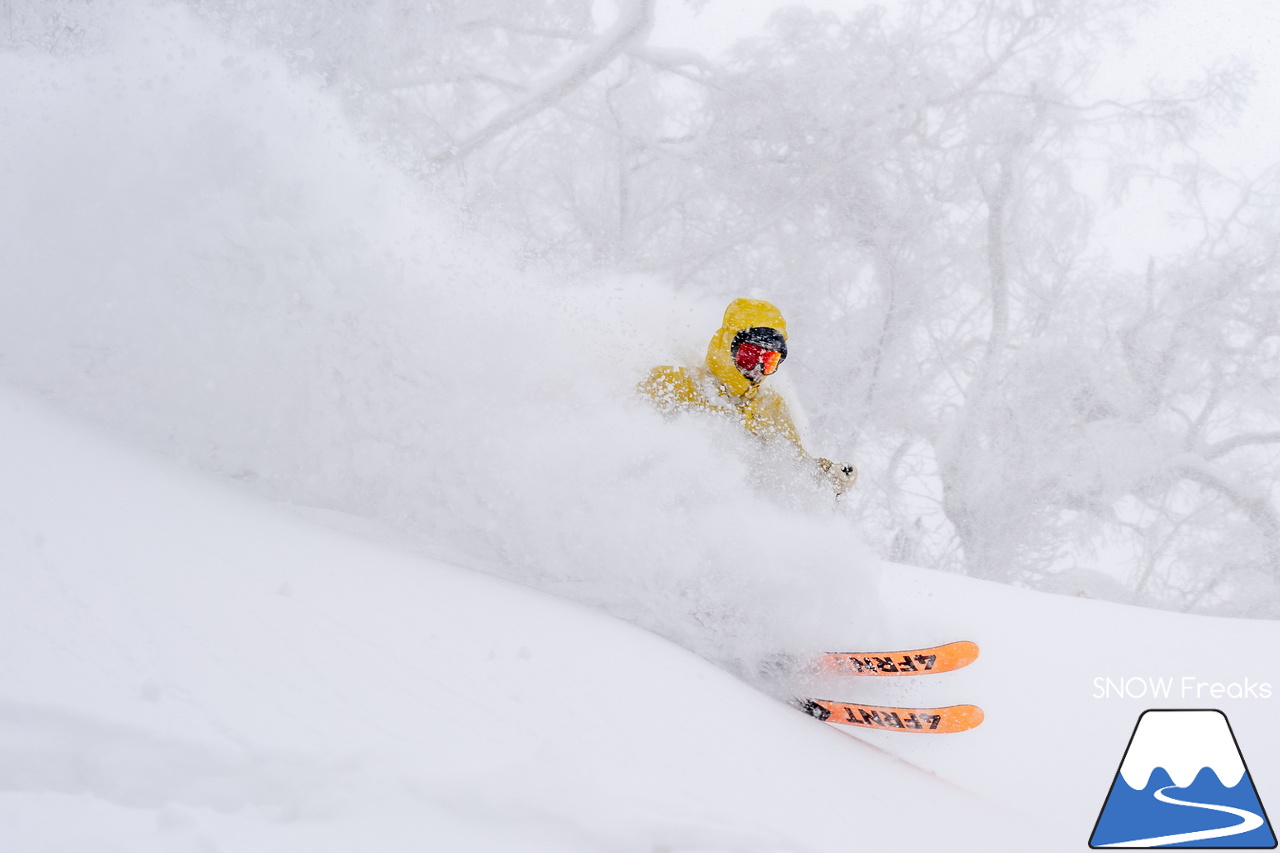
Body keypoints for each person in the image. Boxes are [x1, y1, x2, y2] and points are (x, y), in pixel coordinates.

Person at [638, 298, 857, 496]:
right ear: (727, 347)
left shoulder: (772, 407)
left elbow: (792, 464)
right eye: (749, 356)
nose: (758, 369)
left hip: (735, 516)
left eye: (769, 361)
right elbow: (633, 432)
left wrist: (828, 476)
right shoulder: (673, 383)